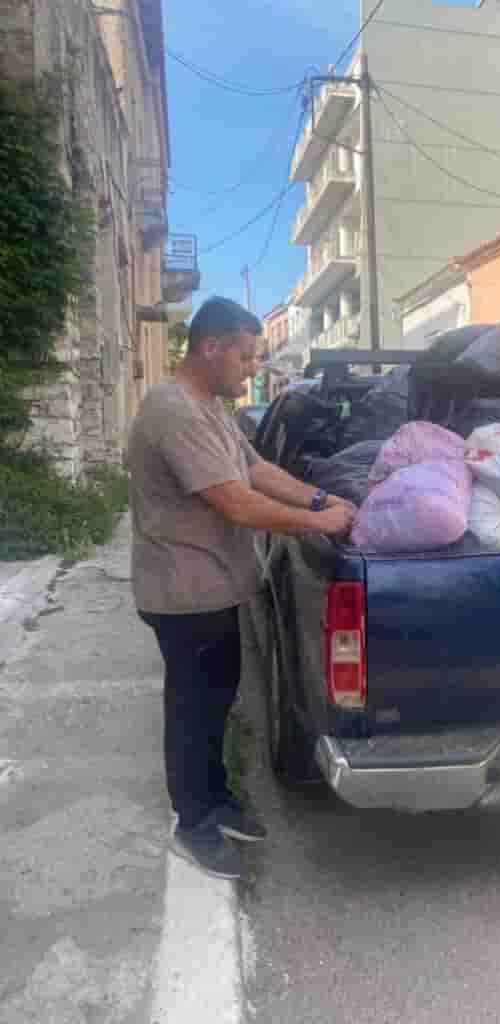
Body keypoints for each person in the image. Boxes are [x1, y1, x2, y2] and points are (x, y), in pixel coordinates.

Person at [127, 297, 356, 880]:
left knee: (217, 700)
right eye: (247, 357)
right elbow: (237, 502)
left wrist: (320, 497)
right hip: (183, 590)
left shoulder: (211, 407)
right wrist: (320, 523)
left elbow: (256, 470)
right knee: (193, 709)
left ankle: (216, 799)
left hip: (216, 586)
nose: (253, 369)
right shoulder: (173, 411)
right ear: (211, 347)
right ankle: (194, 823)